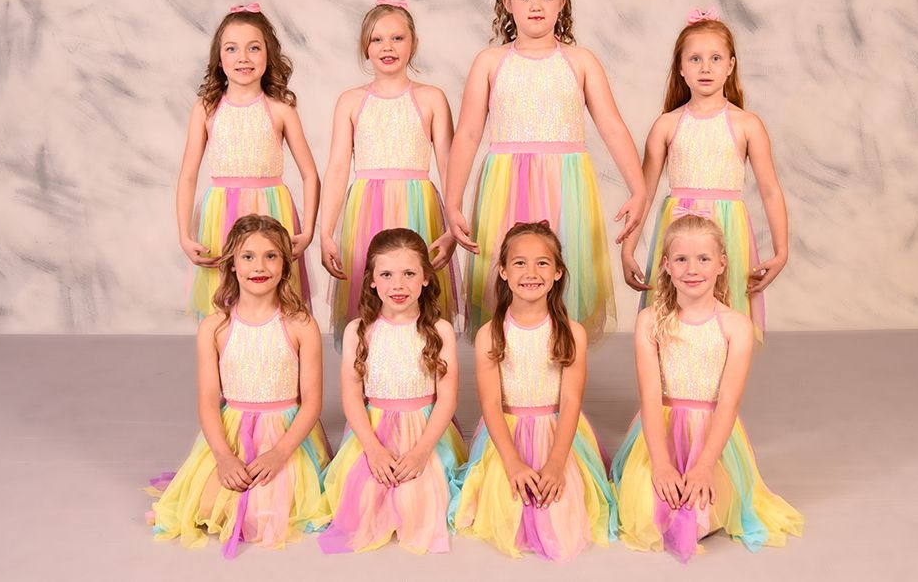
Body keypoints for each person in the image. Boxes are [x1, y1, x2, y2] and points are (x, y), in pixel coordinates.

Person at [444, 0, 645, 341]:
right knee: (510, 279)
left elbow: (612, 126)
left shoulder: (581, 61)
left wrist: (638, 188)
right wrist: (453, 201)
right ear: (506, 4)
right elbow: (466, 134)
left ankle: (558, 381)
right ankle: (511, 383)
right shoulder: (490, 62)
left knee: (561, 278)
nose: (536, 6)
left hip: (565, 185)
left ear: (562, 3)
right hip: (506, 185)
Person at [612, 214, 802, 562]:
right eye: (681, 259)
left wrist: (704, 465)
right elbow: (651, 396)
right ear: (666, 265)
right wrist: (661, 463)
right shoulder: (649, 321)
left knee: (699, 515)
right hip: (659, 433)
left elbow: (729, 401)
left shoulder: (736, 326)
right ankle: (654, 475)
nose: (692, 269)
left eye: (703, 259)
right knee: (646, 511)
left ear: (721, 264)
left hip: (712, 438)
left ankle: (706, 478)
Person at [148, 214, 332, 557]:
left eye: (270, 256)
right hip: (230, 432)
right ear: (232, 264)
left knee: (273, 507)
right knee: (209, 506)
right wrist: (223, 457)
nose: (258, 266)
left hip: (286, 434)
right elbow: (207, 400)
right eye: (247, 256)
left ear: (285, 264)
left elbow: (312, 403)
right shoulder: (215, 327)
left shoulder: (301, 325)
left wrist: (279, 453)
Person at [452, 221, 616, 561]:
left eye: (542, 263)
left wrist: (556, 462)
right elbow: (491, 403)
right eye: (519, 263)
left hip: (557, 431)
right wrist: (512, 462)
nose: (531, 272)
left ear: (558, 273)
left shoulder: (571, 333)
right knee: (506, 502)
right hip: (505, 432)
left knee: (562, 506)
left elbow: (570, 399)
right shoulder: (490, 335)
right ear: (503, 271)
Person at [621, 8, 788, 341]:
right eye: (695, 59)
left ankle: (717, 389)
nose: (706, 67)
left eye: (715, 58)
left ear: (731, 65)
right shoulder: (667, 125)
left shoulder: (747, 124)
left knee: (725, 317)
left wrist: (782, 251)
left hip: (727, 232)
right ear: (680, 68)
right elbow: (645, 192)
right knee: (673, 317)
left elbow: (770, 191)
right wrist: (628, 250)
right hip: (677, 231)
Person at [320, 0, 459, 349]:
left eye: (397, 38)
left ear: (413, 43)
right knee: (370, 300)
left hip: (419, 209)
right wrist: (325, 232)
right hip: (366, 211)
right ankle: (373, 382)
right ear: (365, 47)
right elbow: (337, 168)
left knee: (418, 297)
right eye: (377, 39)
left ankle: (423, 376)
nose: (387, 47)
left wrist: (453, 227)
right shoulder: (350, 101)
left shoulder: (431, 98)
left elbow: (450, 166)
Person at [318, 228, 466, 554]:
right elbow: (352, 396)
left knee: (420, 500)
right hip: (373, 432)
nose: (397, 285)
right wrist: (373, 449)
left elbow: (448, 398)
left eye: (409, 274)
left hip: (425, 433)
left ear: (426, 278)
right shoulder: (359, 330)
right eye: (386, 274)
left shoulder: (439, 331)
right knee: (365, 499)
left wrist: (421, 451)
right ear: (371, 280)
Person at [177, 3, 318, 318]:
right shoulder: (206, 108)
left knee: (274, 299)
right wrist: (185, 235)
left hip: (272, 210)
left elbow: (310, 174)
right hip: (220, 216)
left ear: (269, 55)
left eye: (254, 48)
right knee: (224, 301)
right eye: (232, 49)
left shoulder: (281, 108)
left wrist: (307, 231)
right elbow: (187, 175)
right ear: (219, 57)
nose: (243, 57)